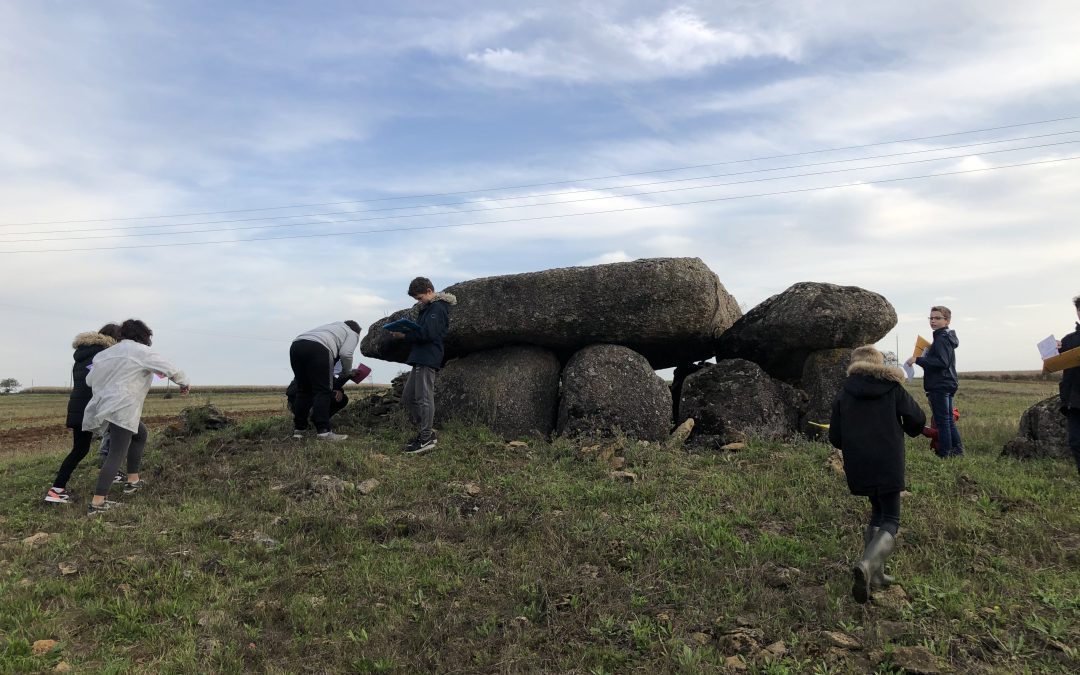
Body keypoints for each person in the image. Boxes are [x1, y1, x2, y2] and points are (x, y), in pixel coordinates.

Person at [830, 345, 926, 604]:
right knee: (892, 518)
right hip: (888, 461)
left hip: (859, 464)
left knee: (877, 513)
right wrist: (911, 430)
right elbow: (917, 418)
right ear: (879, 364)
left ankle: (877, 576)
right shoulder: (893, 389)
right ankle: (867, 564)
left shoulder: (844, 393)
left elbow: (835, 437)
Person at [82, 319, 190, 514]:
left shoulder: (104, 354)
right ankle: (97, 503)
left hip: (105, 406)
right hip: (123, 407)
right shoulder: (141, 351)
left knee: (140, 434)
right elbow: (169, 368)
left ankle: (133, 480)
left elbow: (89, 380)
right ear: (143, 336)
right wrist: (184, 383)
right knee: (116, 452)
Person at [43, 323, 122, 504]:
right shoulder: (102, 355)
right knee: (122, 433)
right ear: (115, 339)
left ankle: (57, 490)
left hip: (79, 407)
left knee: (81, 448)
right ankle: (57, 490)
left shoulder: (83, 355)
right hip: (91, 408)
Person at [389, 277, 456, 454]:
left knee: (424, 398)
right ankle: (427, 432)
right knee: (409, 397)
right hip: (419, 357)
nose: (419, 302)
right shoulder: (427, 308)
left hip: (428, 356)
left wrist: (405, 336)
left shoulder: (438, 307)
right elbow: (423, 332)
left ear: (429, 291)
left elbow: (429, 334)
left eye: (419, 298)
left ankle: (426, 438)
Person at [905, 306, 963, 458]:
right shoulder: (945, 337)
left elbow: (941, 362)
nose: (933, 321)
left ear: (947, 320)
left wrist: (918, 359)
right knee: (948, 421)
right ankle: (957, 452)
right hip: (948, 383)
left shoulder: (942, 339)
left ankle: (945, 454)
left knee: (943, 422)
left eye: (937, 318)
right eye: (931, 318)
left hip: (940, 385)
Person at [289, 320, 361, 441]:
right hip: (319, 348)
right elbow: (346, 353)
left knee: (303, 390)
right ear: (357, 332)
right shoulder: (353, 333)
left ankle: (299, 431)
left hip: (296, 345)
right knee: (323, 391)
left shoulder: (333, 326)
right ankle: (324, 432)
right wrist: (347, 372)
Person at [1057, 295, 1080, 475]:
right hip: (1074, 401)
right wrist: (1054, 349)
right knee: (1075, 442)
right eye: (1079, 309)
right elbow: (1052, 362)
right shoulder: (1069, 340)